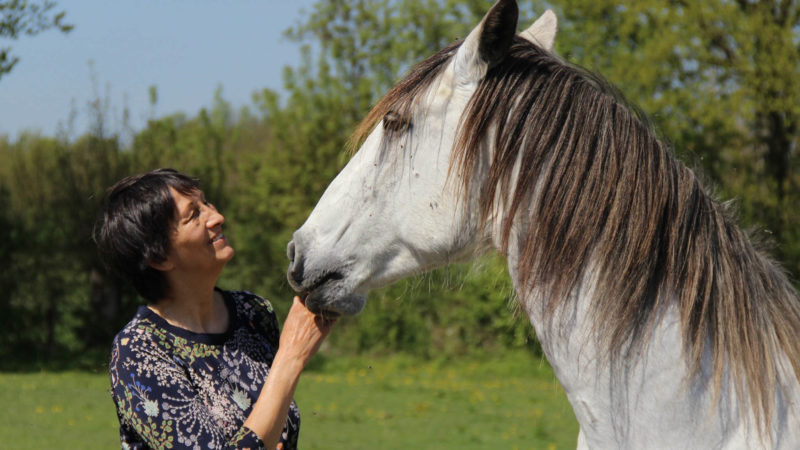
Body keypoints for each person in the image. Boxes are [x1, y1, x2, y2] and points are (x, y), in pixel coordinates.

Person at [96, 168, 333, 449]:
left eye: (207, 203)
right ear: (159, 257)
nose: (217, 217)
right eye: (194, 214)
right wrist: (290, 357)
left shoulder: (252, 313)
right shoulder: (138, 353)